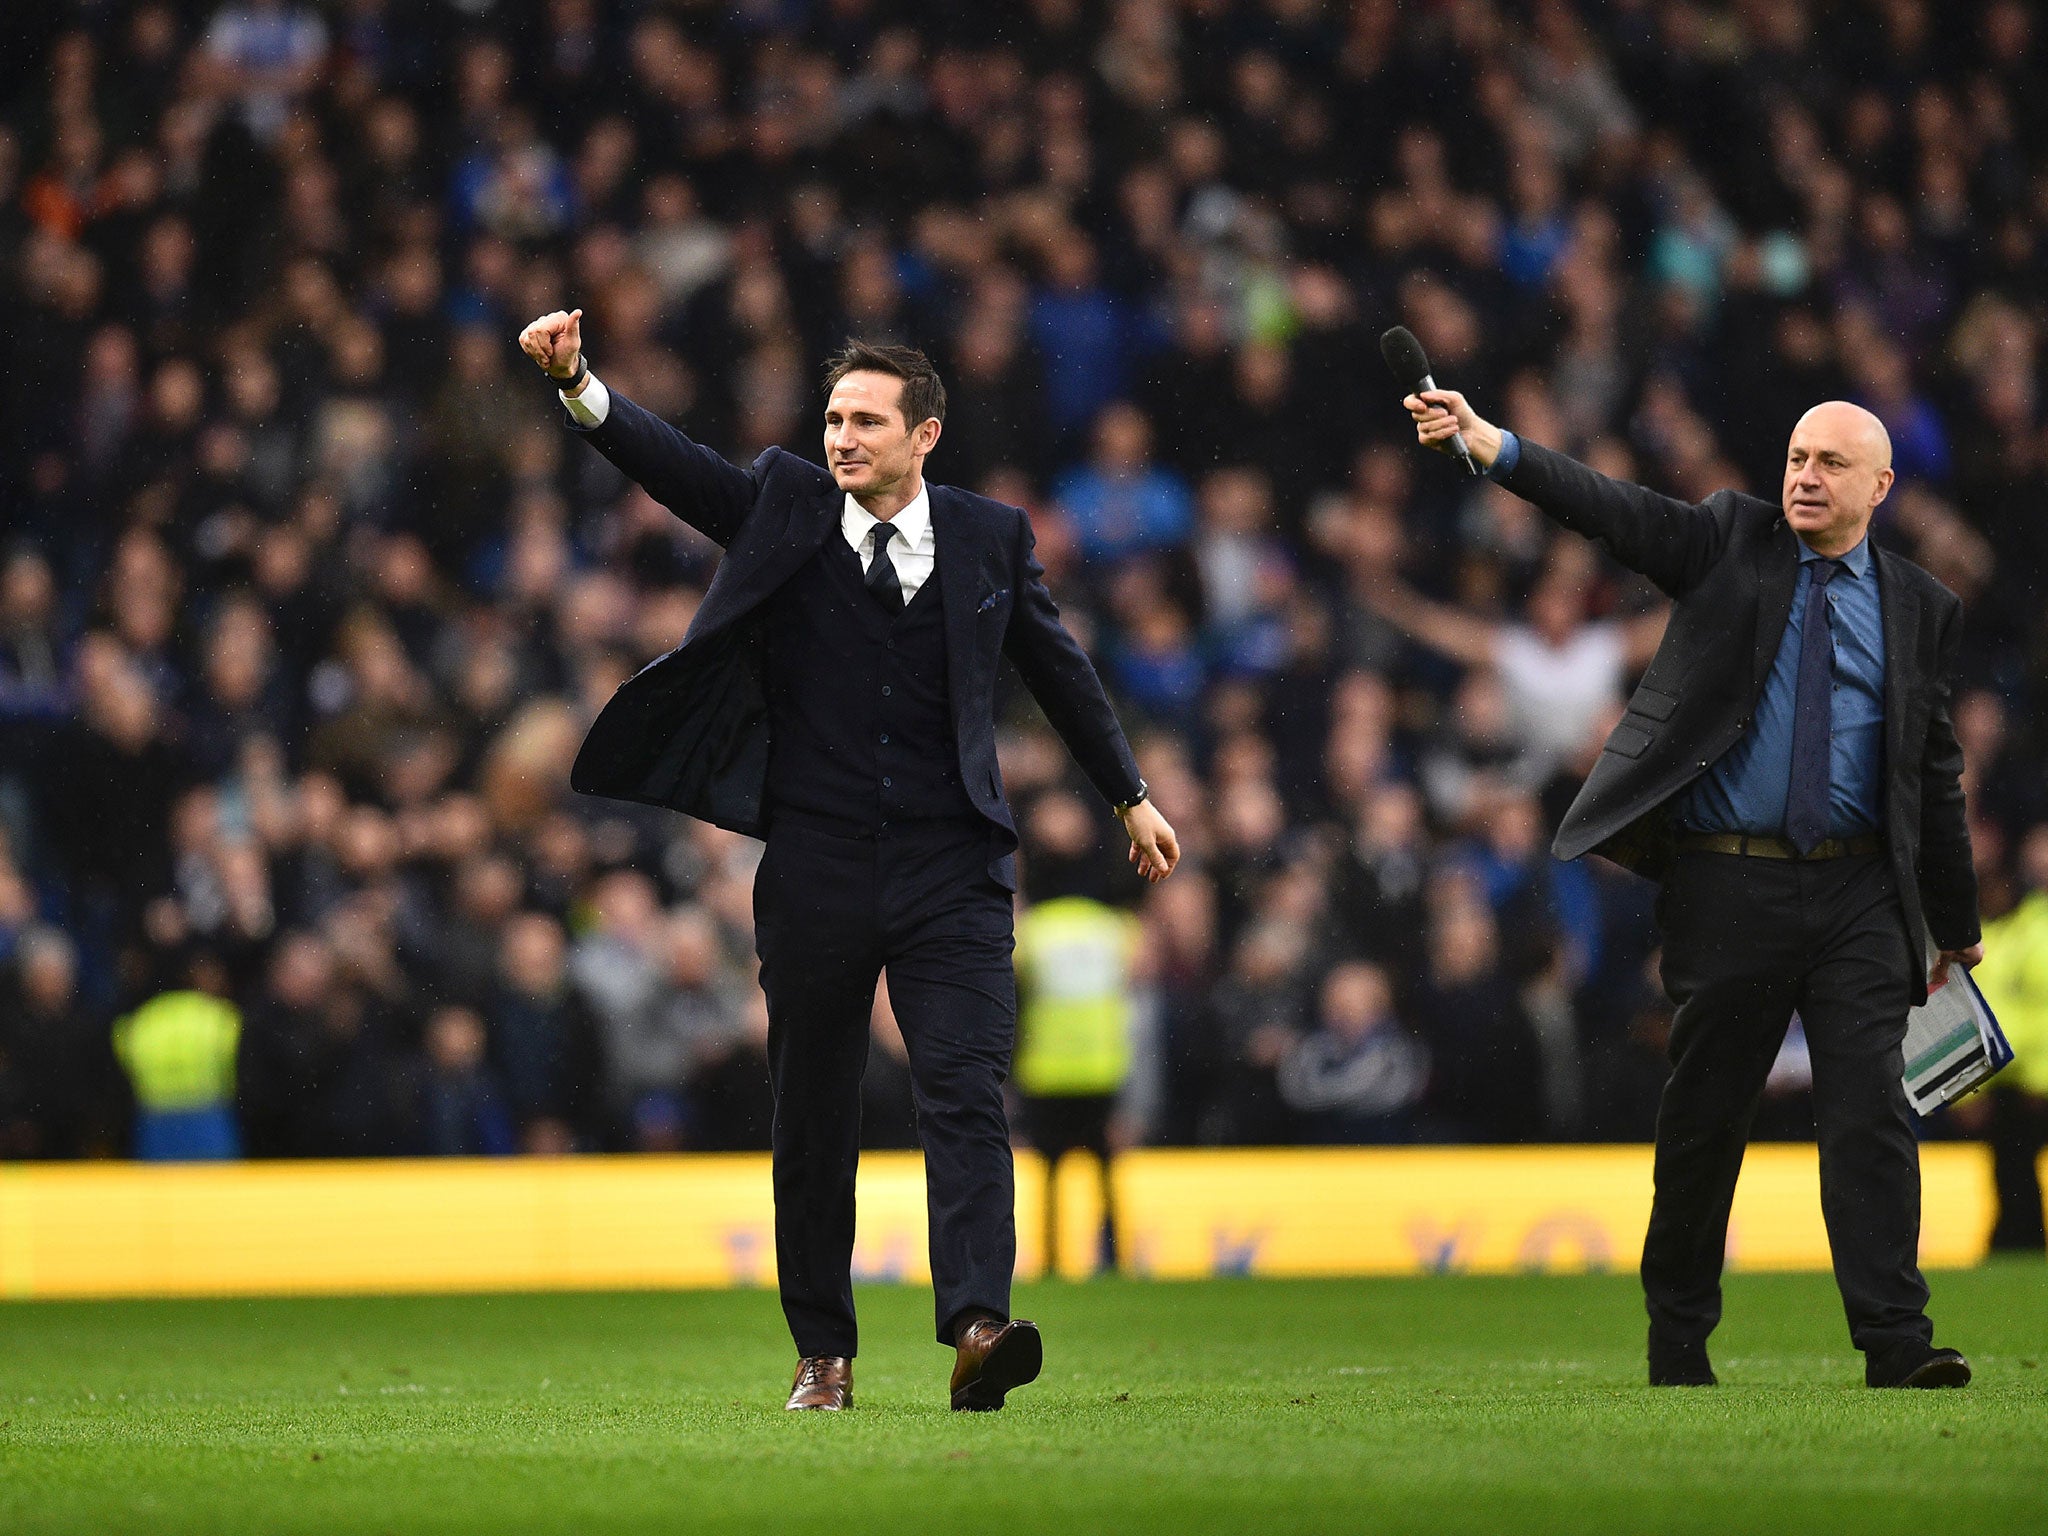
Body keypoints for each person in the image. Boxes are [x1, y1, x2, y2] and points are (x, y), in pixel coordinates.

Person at [517, 309, 1180, 1413]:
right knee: (812, 1117)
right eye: (832, 418)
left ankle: (976, 1324)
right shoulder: (784, 505)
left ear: (925, 435)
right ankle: (823, 1354)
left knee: (963, 1092)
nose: (840, 437)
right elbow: (676, 471)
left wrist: (1131, 795)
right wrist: (580, 382)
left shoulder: (990, 538)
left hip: (952, 867)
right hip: (816, 864)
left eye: (865, 420)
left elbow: (1061, 671)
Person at [1404, 385, 1981, 1390]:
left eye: (1828, 464)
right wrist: (1495, 448)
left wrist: (1954, 924)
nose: (1802, 475)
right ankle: (1676, 1335)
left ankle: (1895, 1343)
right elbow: (1611, 508)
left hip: (1858, 897)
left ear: (1879, 487)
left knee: (1869, 1120)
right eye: (1796, 458)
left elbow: (1930, 771)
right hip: (1728, 885)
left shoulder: (1921, 609)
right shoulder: (1727, 541)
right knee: (1705, 1118)